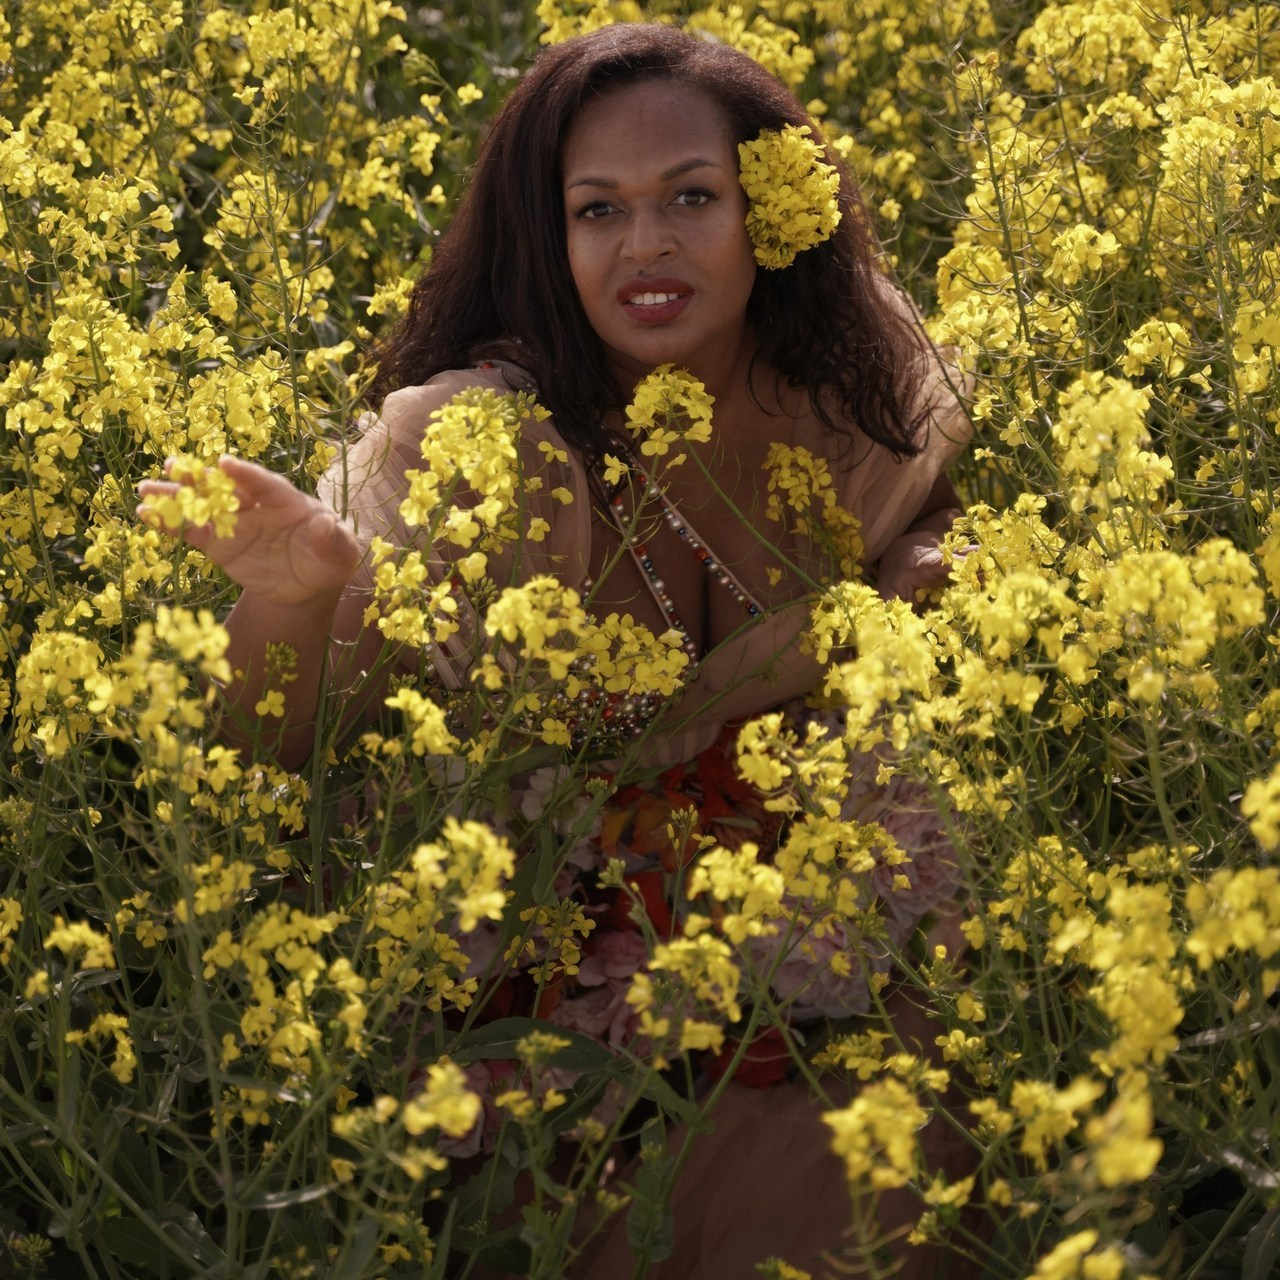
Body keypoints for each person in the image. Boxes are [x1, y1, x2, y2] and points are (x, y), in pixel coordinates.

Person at [138, 22, 975, 1278]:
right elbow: (272, 741)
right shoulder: (482, 450)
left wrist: (924, 569)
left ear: (773, 209)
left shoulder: (853, 387)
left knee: (930, 1089)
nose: (645, 245)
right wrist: (295, 597)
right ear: (549, 236)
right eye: (597, 210)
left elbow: (936, 524)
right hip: (533, 958)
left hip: (799, 898)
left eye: (691, 197)